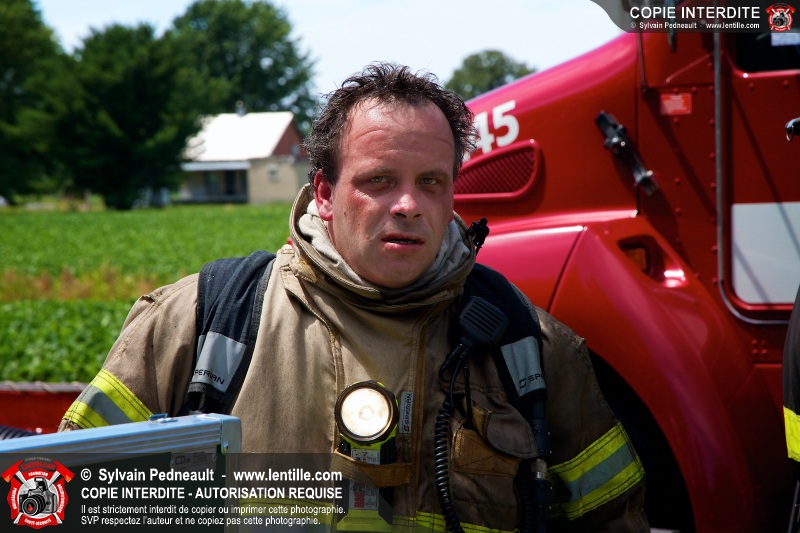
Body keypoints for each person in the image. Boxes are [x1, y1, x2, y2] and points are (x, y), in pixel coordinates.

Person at [60, 63, 648, 532]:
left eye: (431, 182)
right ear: (324, 193)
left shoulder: (533, 349)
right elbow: (65, 496)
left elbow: (614, 520)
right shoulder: (200, 322)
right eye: (378, 180)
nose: (408, 206)